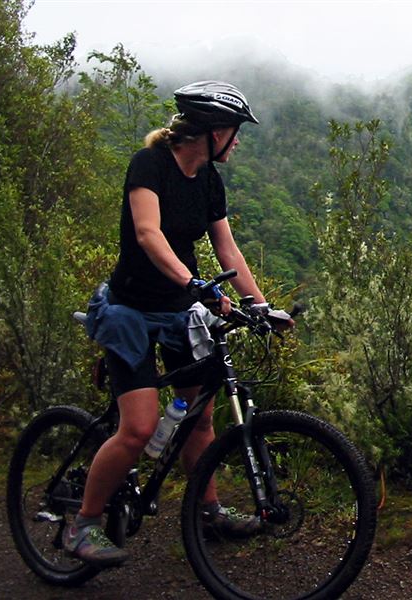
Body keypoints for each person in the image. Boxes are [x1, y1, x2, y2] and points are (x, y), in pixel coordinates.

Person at [64, 81, 277, 567]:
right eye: (236, 132)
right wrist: (194, 282)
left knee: (199, 414)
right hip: (130, 311)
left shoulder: (209, 180)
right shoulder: (150, 165)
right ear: (214, 132)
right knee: (138, 428)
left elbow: (227, 248)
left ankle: (208, 512)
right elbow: (148, 234)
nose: (238, 142)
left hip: (179, 310)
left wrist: (261, 306)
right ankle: (84, 523)